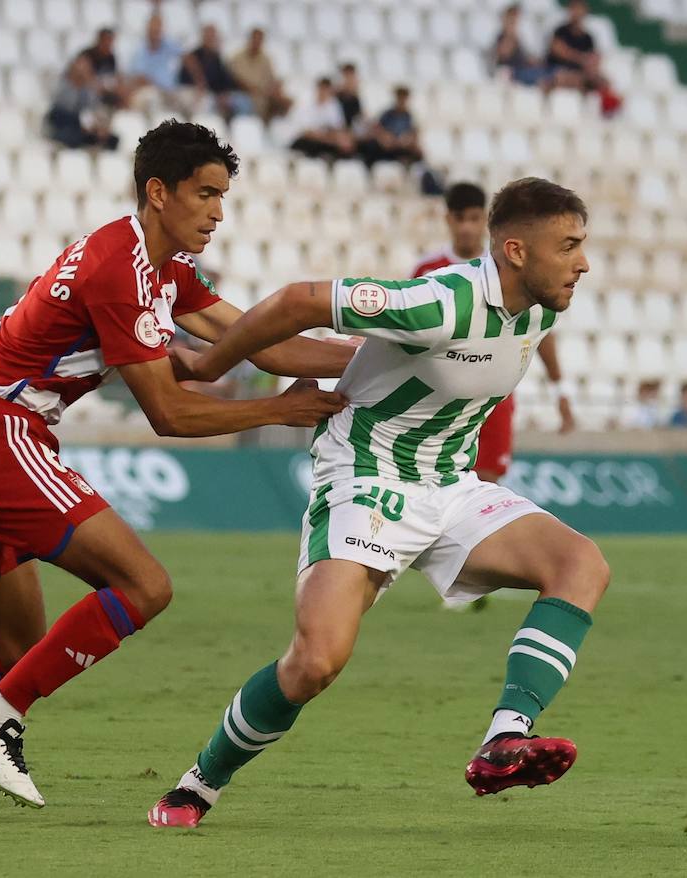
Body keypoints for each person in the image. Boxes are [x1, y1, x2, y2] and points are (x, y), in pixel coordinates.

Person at [0, 120, 356, 816]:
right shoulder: (121, 268)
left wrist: (384, 358)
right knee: (144, 586)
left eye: (224, 196)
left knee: (15, 640)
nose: (218, 212)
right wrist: (276, 414)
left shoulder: (159, 268)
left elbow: (256, 345)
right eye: (205, 193)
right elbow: (169, 412)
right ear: (158, 191)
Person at [146, 177, 608, 828]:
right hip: (366, 476)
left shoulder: (543, 308)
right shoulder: (440, 303)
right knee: (314, 663)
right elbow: (299, 301)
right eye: (568, 246)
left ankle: (505, 738)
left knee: (581, 565)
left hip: (449, 483)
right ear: (514, 251)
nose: (583, 262)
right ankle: (198, 784)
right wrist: (207, 365)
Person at [413, 182, 576, 479]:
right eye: (459, 218)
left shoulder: (511, 269)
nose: (466, 227)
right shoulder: (428, 271)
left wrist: (560, 392)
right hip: (440, 395)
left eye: (474, 218)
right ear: (448, 219)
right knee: (433, 485)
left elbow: (541, 330)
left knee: (487, 487)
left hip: (493, 396)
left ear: (485, 221)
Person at [546, 1, 622, 117]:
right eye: (575, 9)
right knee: (570, 79)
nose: (577, 13)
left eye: (580, 10)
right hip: (560, 70)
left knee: (604, 81)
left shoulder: (588, 37)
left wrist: (590, 63)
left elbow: (593, 57)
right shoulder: (561, 31)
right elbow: (558, 50)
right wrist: (581, 58)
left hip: (581, 73)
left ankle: (607, 110)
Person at [179, 24, 253, 120]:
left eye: (213, 36)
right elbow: (185, 80)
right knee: (204, 103)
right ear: (203, 37)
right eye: (209, 36)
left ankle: (240, 126)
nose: (211, 39)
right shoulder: (193, 57)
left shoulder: (216, 58)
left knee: (244, 101)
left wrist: (224, 94)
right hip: (201, 95)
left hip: (217, 95)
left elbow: (225, 81)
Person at [45, 55, 119, 151]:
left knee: (111, 139)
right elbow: (58, 115)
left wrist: (98, 126)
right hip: (63, 128)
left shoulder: (89, 92)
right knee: (72, 133)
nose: (83, 73)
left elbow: (94, 111)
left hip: (84, 130)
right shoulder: (63, 88)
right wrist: (81, 121)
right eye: (81, 70)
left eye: (86, 70)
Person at [226, 28, 290, 122]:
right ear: (250, 40)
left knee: (286, 102)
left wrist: (275, 90)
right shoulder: (237, 57)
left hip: (262, 96)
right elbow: (237, 81)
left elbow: (272, 80)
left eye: (259, 40)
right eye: (255, 39)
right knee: (243, 102)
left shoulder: (266, 59)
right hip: (242, 95)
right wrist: (260, 91)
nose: (257, 42)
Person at [128, 14, 184, 113]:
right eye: (153, 28)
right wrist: (160, 88)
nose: (156, 31)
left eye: (158, 28)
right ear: (148, 28)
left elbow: (186, 56)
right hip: (150, 92)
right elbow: (140, 78)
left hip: (170, 92)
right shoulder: (140, 49)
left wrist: (200, 82)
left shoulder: (168, 44)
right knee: (152, 97)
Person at [289, 77, 354, 161]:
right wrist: (328, 138)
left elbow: (338, 128)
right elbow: (306, 132)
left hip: (324, 140)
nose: (324, 92)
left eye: (326, 89)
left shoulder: (333, 104)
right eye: (322, 89)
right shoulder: (305, 103)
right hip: (304, 140)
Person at [357, 85, 423, 167]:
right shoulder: (387, 114)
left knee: (418, 152)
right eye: (400, 98)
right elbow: (377, 128)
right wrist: (385, 137)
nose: (402, 101)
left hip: (401, 146)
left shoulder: (409, 116)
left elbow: (414, 132)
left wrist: (407, 139)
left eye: (404, 98)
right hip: (387, 145)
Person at [494, 4, 550, 87]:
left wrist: (535, 62)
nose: (516, 22)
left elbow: (524, 58)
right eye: (513, 19)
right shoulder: (502, 36)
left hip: (522, 69)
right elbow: (503, 55)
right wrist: (510, 33)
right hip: (511, 72)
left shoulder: (517, 37)